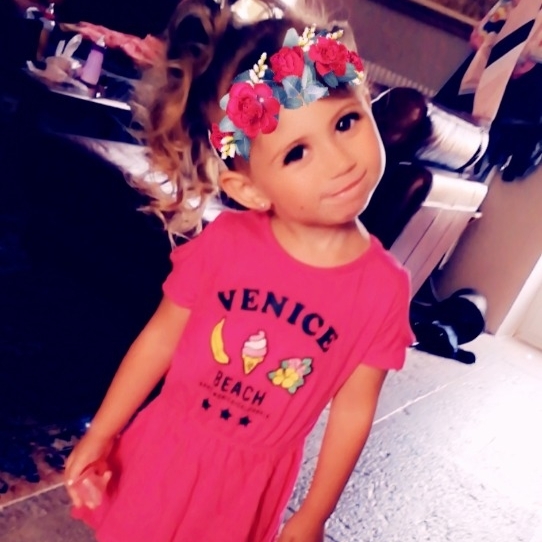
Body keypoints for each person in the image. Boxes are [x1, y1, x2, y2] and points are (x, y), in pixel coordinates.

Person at [64, 0, 413, 540]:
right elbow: (159, 339)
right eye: (296, 153)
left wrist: (313, 514)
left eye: (345, 122)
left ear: (368, 105)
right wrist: (102, 433)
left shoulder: (384, 290)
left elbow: (352, 413)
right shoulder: (226, 243)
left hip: (248, 486)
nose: (340, 161)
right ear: (249, 190)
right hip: (162, 453)